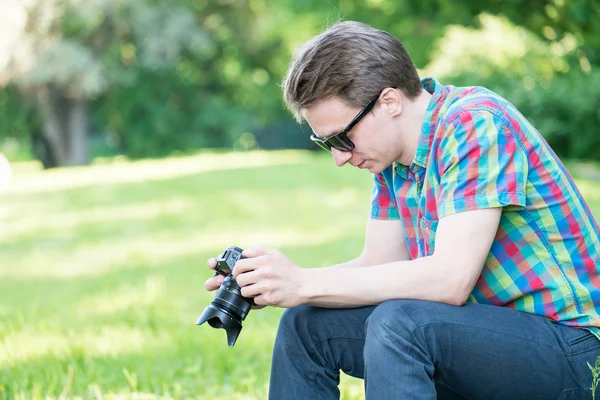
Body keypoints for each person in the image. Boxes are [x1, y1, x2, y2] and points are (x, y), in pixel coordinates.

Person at [205, 21, 600, 399]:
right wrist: (276, 283)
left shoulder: (474, 124)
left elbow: (449, 280)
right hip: (484, 343)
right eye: (328, 143)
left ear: (390, 101)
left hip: (575, 352)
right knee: (306, 324)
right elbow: (378, 265)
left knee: (400, 323)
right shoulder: (392, 163)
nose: (340, 158)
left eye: (343, 138)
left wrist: (305, 283)